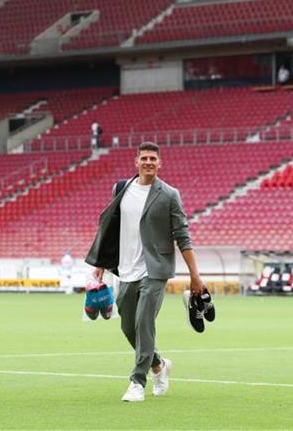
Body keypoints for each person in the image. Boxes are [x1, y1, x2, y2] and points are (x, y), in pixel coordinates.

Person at [85, 141, 205, 403]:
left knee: (144, 322)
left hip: (155, 269)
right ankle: (159, 365)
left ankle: (137, 382)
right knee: (128, 326)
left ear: (160, 164)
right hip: (126, 269)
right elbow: (110, 228)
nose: (149, 162)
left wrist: (195, 275)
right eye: (144, 158)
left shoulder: (169, 194)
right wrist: (101, 262)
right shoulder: (121, 189)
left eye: (153, 159)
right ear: (136, 162)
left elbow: (183, 235)